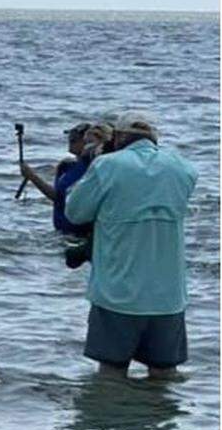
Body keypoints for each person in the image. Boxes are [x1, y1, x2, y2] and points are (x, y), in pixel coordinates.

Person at [64, 112, 197, 379]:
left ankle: (117, 419)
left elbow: (75, 212)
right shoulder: (182, 168)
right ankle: (159, 419)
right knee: (165, 373)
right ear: (154, 137)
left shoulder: (107, 166)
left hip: (118, 292)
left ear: (120, 137)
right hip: (168, 297)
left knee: (111, 374)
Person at [19, 122, 111, 236]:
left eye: (74, 140)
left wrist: (32, 176)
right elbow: (58, 197)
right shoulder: (66, 166)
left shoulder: (94, 168)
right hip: (62, 231)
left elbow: (62, 198)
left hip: (83, 233)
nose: (70, 143)